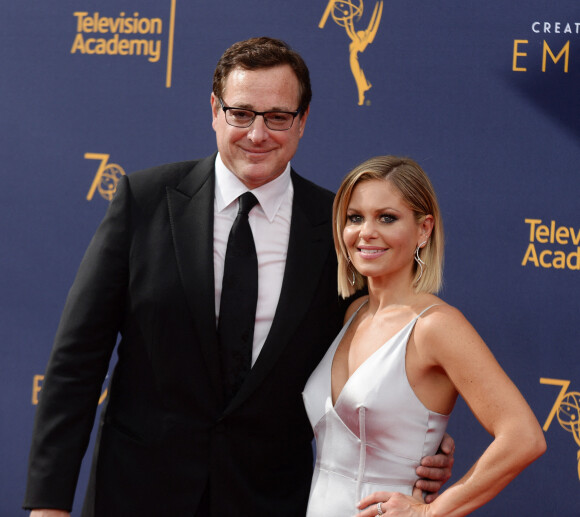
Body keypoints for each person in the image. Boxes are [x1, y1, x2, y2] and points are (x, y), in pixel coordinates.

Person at [23, 39, 454, 517]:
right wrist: (48, 504)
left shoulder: (340, 228)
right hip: (138, 494)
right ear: (214, 110)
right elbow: (76, 363)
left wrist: (417, 437)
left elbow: (374, 354)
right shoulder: (144, 203)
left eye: (277, 117)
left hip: (268, 499)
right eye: (241, 113)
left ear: (302, 120)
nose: (257, 134)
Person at [302, 155, 546, 516]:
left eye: (387, 218)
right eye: (355, 217)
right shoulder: (353, 315)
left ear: (424, 229)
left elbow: (524, 437)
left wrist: (429, 513)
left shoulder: (435, 326)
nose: (366, 231)